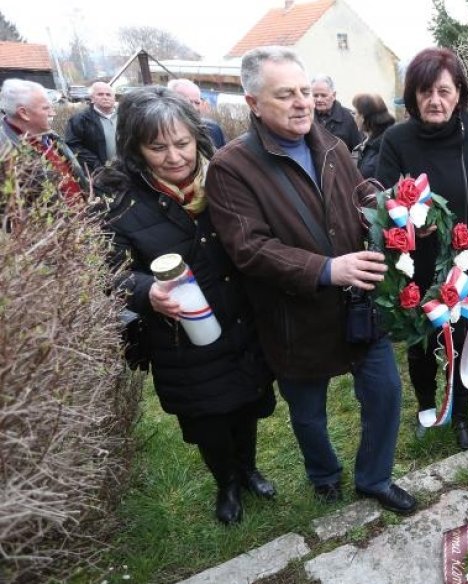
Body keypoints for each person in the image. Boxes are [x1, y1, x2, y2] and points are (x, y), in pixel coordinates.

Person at [206, 46, 417, 514]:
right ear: (253, 102)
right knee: (309, 414)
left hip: (359, 304)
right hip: (293, 318)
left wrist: (392, 208)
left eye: (305, 91)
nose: (302, 102)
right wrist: (325, 268)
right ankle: (324, 475)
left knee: (384, 392)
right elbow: (250, 247)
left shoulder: (331, 144)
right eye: (286, 94)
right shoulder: (230, 167)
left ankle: (374, 478)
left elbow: (358, 194)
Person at [97, 87, 276, 525]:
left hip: (237, 319)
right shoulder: (119, 202)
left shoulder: (225, 181)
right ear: (136, 149)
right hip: (182, 336)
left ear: (197, 137)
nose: (174, 157)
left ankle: (249, 469)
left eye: (183, 143)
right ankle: (226, 484)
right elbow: (107, 270)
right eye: (157, 148)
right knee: (210, 417)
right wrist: (145, 292)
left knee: (245, 402)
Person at [376, 47, 468, 451]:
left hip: (464, 263)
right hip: (415, 262)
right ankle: (427, 409)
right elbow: (384, 203)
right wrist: (411, 226)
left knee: (462, 338)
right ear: (412, 96)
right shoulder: (396, 140)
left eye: (444, 91)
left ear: (459, 94)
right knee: (421, 341)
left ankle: (461, 415)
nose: (435, 100)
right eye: (426, 91)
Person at [0, 78, 87, 206]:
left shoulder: (50, 137)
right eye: (46, 108)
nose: (53, 112)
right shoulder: (5, 154)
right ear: (24, 113)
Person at [64, 81, 117, 175]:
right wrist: (96, 165)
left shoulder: (125, 116)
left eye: (108, 95)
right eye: (100, 94)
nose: (105, 97)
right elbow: (73, 145)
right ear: (92, 99)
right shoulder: (80, 119)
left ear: (114, 98)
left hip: (126, 170)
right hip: (98, 172)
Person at [167, 78, 227, 149]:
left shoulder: (213, 130)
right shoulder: (157, 131)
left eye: (197, 103)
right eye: (188, 102)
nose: (194, 107)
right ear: (169, 101)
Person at [311, 74, 362, 151]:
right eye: (315, 95)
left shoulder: (350, 118)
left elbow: (358, 150)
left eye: (323, 95)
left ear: (334, 95)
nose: (319, 100)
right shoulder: (305, 116)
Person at [350, 93, 394, 179]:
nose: (354, 118)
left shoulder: (383, 145)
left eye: (355, 113)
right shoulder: (369, 141)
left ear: (363, 117)